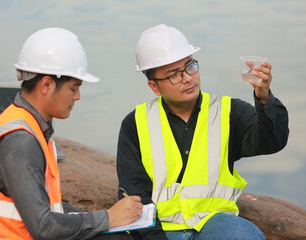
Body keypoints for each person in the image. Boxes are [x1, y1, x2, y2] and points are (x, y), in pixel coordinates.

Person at [0, 27, 143, 240]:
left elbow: (46, 209)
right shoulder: (20, 141)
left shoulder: (28, 124)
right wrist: (108, 218)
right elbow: (44, 228)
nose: (78, 96)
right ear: (46, 84)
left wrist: (96, 218)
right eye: (74, 88)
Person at [116, 24, 289, 240]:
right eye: (174, 75)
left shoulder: (228, 112)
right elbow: (136, 195)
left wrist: (264, 99)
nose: (188, 78)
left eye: (190, 67)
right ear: (154, 86)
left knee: (242, 233)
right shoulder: (135, 124)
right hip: (161, 229)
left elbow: (272, 141)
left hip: (214, 223)